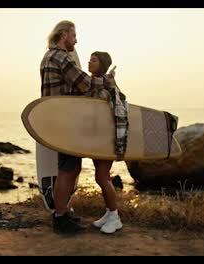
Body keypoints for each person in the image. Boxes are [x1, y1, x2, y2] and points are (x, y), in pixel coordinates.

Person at [40, 20, 116, 234]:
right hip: (65, 123)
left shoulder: (47, 57)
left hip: (55, 120)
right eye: (74, 35)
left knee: (71, 168)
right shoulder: (62, 57)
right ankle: (60, 217)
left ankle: (64, 211)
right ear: (64, 35)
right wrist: (107, 80)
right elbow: (85, 84)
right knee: (67, 170)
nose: (76, 40)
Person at [86, 51, 127, 234]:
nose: (89, 62)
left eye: (93, 60)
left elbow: (118, 114)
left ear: (101, 64)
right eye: (89, 59)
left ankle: (115, 217)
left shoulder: (108, 87)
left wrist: (119, 146)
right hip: (97, 139)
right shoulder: (94, 85)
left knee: (102, 177)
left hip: (107, 139)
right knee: (102, 177)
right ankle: (109, 214)